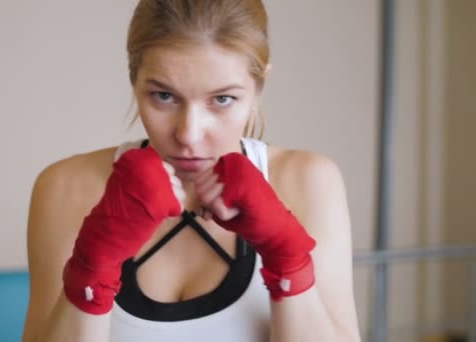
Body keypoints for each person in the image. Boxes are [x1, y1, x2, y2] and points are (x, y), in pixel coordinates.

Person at [22, 1, 361, 341]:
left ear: (259, 88)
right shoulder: (66, 188)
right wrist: (91, 271)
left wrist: (288, 259)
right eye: (164, 96)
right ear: (134, 80)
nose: (189, 134)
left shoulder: (307, 181)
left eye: (223, 99)